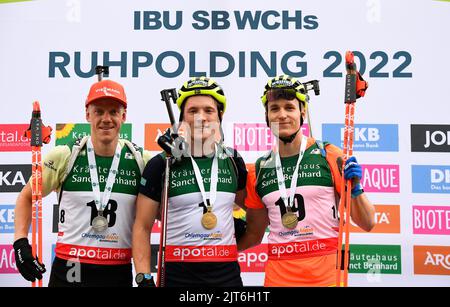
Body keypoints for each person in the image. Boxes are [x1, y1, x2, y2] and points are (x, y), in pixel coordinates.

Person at [238, 75, 375, 287]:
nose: (282, 115)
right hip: (278, 280)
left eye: (289, 108)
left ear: (302, 112)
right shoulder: (259, 169)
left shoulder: (328, 154)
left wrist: (356, 187)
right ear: (267, 116)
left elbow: (368, 223)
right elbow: (254, 234)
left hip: (327, 278)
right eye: (274, 109)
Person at [13, 77, 152, 287]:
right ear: (87, 114)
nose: (106, 119)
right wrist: (20, 242)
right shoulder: (64, 155)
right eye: (99, 111)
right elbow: (26, 197)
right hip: (71, 267)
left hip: (117, 269)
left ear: (124, 116)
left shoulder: (142, 159)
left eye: (113, 111)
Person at [132, 76, 247, 287]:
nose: (200, 118)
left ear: (219, 116)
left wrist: (239, 225)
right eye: (192, 111)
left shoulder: (233, 160)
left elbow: (252, 207)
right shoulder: (162, 163)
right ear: (182, 118)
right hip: (177, 278)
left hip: (227, 278)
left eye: (208, 110)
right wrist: (143, 277)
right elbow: (141, 226)